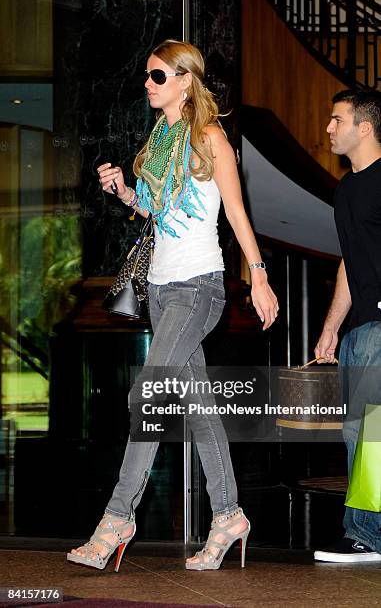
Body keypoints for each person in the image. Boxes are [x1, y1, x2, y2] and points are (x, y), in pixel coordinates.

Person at [67, 39, 278, 572]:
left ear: (185, 80)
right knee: (200, 413)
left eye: (157, 76)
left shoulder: (210, 137)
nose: (147, 84)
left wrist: (258, 276)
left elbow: (234, 208)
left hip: (197, 288)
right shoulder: (162, 136)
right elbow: (156, 214)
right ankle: (229, 515)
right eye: (147, 76)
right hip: (160, 290)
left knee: (149, 394)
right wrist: (124, 194)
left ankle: (117, 519)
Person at [314, 89, 381, 563]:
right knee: (359, 432)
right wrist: (332, 327)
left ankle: (365, 535)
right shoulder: (345, 190)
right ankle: (367, 533)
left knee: (371, 433)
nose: (329, 128)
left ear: (365, 127)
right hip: (360, 330)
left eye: (337, 120)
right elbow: (348, 261)